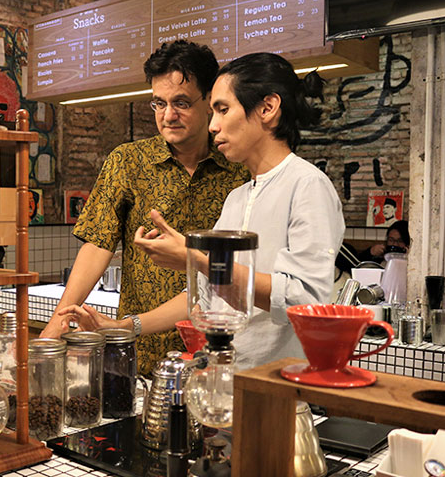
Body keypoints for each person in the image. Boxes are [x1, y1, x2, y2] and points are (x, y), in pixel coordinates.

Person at [54, 52, 345, 371]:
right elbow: (203, 296)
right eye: (159, 104)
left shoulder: (307, 185)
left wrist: (195, 258)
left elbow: (305, 300)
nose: (214, 124)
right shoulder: (239, 196)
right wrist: (125, 327)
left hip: (281, 387)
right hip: (225, 379)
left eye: (221, 109)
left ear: (267, 108)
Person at [40, 40, 250, 375]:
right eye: (159, 103)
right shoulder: (128, 162)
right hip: (135, 350)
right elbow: (98, 244)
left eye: (181, 103)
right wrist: (59, 320)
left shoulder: (239, 169)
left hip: (218, 353)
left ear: (210, 101)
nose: (168, 116)